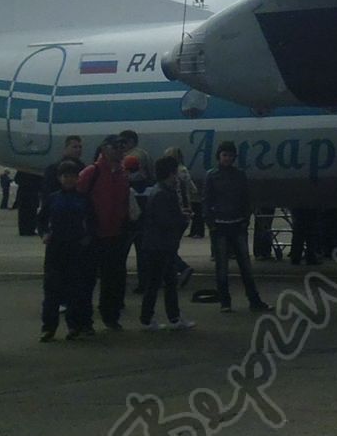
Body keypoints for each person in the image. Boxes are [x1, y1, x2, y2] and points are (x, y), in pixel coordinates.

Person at [76, 138, 133, 330]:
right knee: (87, 279)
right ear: (103, 149)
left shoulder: (122, 174)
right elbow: (79, 199)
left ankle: (111, 316)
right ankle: (84, 321)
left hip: (115, 234)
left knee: (114, 279)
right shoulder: (92, 172)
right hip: (94, 235)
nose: (119, 151)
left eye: (121, 147)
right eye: (114, 147)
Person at [203, 142, 266, 313]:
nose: (227, 158)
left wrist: (245, 219)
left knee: (245, 265)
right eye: (225, 155)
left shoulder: (238, 175)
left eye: (230, 155)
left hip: (236, 224)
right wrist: (211, 223)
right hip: (222, 225)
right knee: (223, 266)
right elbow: (207, 201)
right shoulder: (214, 176)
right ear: (219, 156)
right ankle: (227, 301)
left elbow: (246, 198)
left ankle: (251, 300)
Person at [39, 160, 96, 340]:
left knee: (76, 290)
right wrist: (44, 234)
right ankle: (48, 327)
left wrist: (88, 238)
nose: (69, 180)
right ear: (59, 178)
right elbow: (41, 220)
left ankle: (74, 325)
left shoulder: (84, 199)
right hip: (56, 248)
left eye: (73, 176)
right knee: (52, 290)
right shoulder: (52, 198)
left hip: (76, 248)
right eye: (66, 176)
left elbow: (93, 222)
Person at [138, 156, 195, 329]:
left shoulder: (159, 191)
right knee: (163, 283)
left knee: (158, 283)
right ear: (170, 173)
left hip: (156, 245)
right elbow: (165, 221)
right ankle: (169, 317)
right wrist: (183, 218)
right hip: (161, 245)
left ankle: (156, 318)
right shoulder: (164, 193)